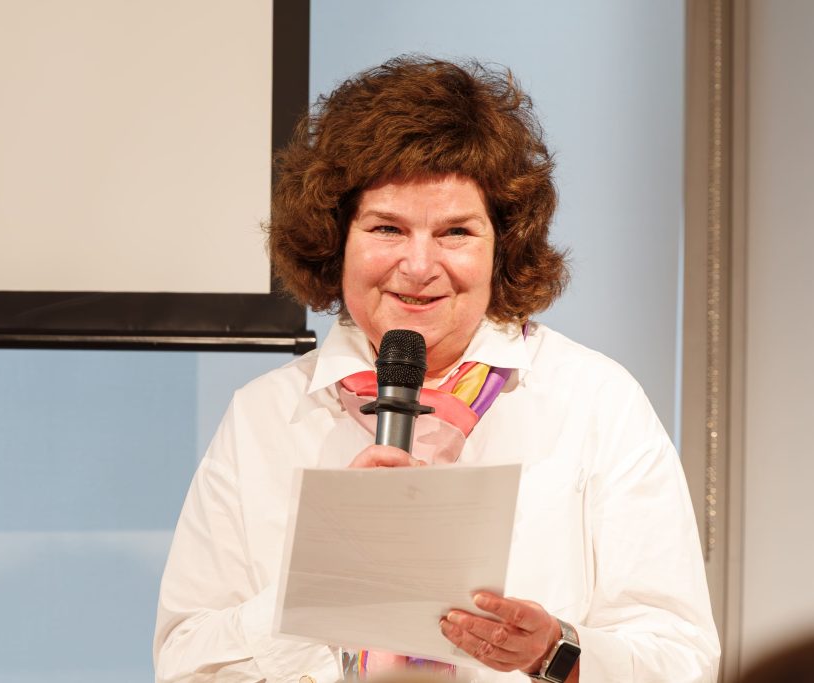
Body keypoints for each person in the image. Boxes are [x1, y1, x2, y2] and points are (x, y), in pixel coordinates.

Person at [154, 56, 720, 683]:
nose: (420, 267)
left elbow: (683, 660)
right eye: (387, 228)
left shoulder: (595, 401)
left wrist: (555, 652)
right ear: (334, 240)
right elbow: (186, 663)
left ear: (503, 245)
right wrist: (325, 586)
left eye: (455, 232)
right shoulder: (264, 414)